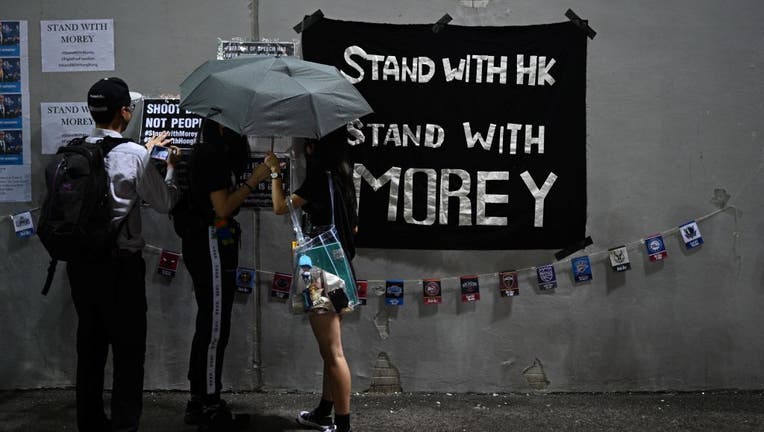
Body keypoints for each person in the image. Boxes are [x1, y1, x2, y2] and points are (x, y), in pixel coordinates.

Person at [67, 77, 180, 431]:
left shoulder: (74, 148)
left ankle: (90, 422)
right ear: (126, 111)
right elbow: (164, 202)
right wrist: (169, 166)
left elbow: (112, 167)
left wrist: (142, 151)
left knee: (90, 350)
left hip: (81, 266)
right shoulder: (135, 155)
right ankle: (125, 425)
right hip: (121, 269)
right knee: (128, 353)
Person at [179, 119, 271, 430]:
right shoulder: (210, 156)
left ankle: (200, 398)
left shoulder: (212, 155)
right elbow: (222, 208)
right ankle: (209, 404)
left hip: (215, 240)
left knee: (210, 319)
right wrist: (255, 179)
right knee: (215, 324)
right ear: (220, 127)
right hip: (210, 242)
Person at [264, 137, 358, 432]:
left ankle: (342, 426)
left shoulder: (319, 179)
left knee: (333, 353)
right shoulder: (343, 178)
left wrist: (275, 172)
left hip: (320, 271)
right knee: (330, 350)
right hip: (340, 267)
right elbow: (353, 229)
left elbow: (280, 207)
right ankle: (324, 412)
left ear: (313, 148)